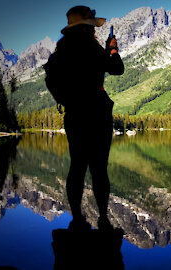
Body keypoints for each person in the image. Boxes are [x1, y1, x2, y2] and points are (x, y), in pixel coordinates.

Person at [45, 6, 124, 231]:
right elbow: (117, 69)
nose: (95, 32)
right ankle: (103, 219)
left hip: (74, 114)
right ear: (87, 28)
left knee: (77, 167)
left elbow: (50, 78)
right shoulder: (92, 47)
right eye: (92, 27)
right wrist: (113, 49)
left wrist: (67, 100)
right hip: (97, 113)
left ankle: (77, 219)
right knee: (99, 168)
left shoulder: (61, 51)